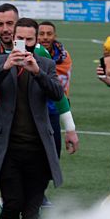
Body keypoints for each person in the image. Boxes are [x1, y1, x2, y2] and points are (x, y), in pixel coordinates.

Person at [0, 18, 65, 219]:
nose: (25, 44)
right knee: (12, 204)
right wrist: (5, 67)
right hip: (7, 151)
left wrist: (37, 72)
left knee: (32, 211)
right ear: (12, 38)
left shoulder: (46, 64)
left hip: (39, 151)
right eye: (21, 39)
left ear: (36, 40)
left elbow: (57, 94)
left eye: (29, 39)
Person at [0, 3, 78, 156]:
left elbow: (57, 92)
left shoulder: (40, 52)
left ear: (18, 24)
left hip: (33, 130)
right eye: (0, 24)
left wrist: (70, 128)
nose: (5, 29)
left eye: (10, 23)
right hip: (0, 130)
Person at [38, 21, 73, 158]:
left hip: (54, 110)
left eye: (49, 34)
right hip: (31, 110)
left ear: (55, 36)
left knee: (53, 155)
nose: (45, 37)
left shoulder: (64, 57)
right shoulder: (28, 53)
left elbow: (62, 87)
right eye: (41, 34)